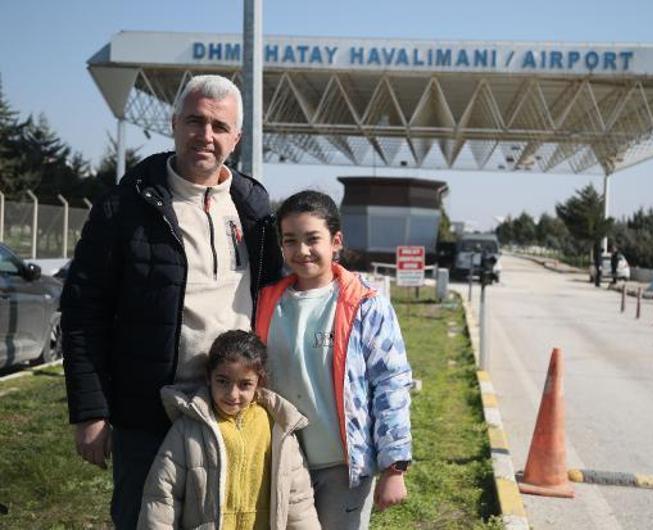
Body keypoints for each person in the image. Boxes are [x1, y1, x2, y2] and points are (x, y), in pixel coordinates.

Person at [61, 75, 283, 529]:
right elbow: (84, 312)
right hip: (147, 414)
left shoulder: (254, 210)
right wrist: (90, 410)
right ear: (174, 124)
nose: (206, 136)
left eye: (220, 127)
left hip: (228, 408)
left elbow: (285, 289)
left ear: (236, 138)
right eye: (195, 121)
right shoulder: (124, 207)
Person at [254, 190, 412, 529]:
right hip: (281, 463)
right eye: (290, 241)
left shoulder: (367, 305)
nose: (301, 251)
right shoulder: (265, 302)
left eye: (313, 239)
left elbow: (391, 384)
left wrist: (394, 467)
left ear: (335, 241)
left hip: (343, 469)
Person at [138, 330, 321, 530]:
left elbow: (298, 501)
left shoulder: (279, 429)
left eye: (244, 384)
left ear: (259, 382)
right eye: (223, 381)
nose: (232, 394)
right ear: (209, 377)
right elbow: (163, 497)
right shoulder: (187, 429)